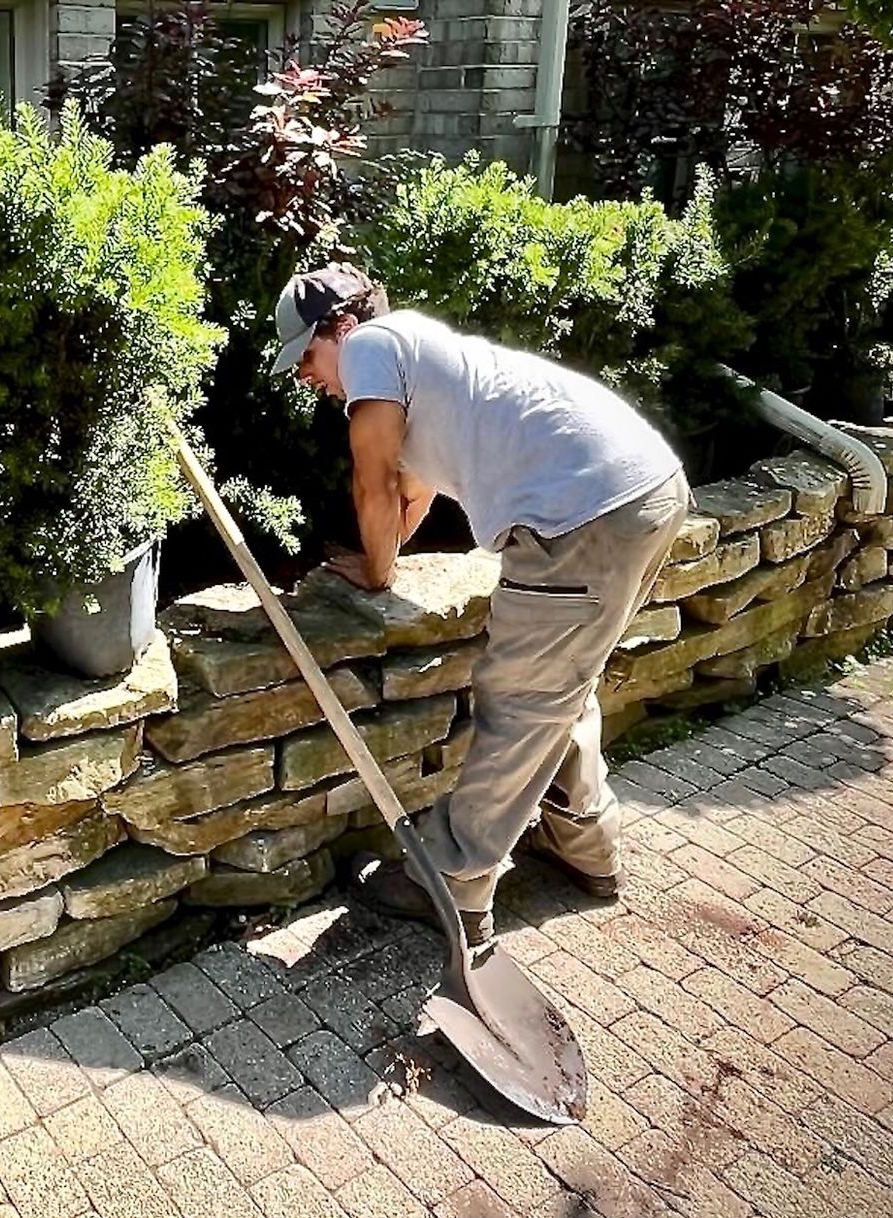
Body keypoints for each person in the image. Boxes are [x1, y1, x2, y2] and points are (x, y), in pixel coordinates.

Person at [271, 265, 691, 947]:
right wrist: (383, 554)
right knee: (559, 687)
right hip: (641, 489)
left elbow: (373, 489)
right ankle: (586, 844)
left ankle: (454, 883)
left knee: (520, 699)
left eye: (308, 357)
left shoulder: (374, 347)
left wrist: (376, 577)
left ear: (341, 327)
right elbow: (414, 492)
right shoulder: (421, 355)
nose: (306, 377)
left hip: (582, 515)